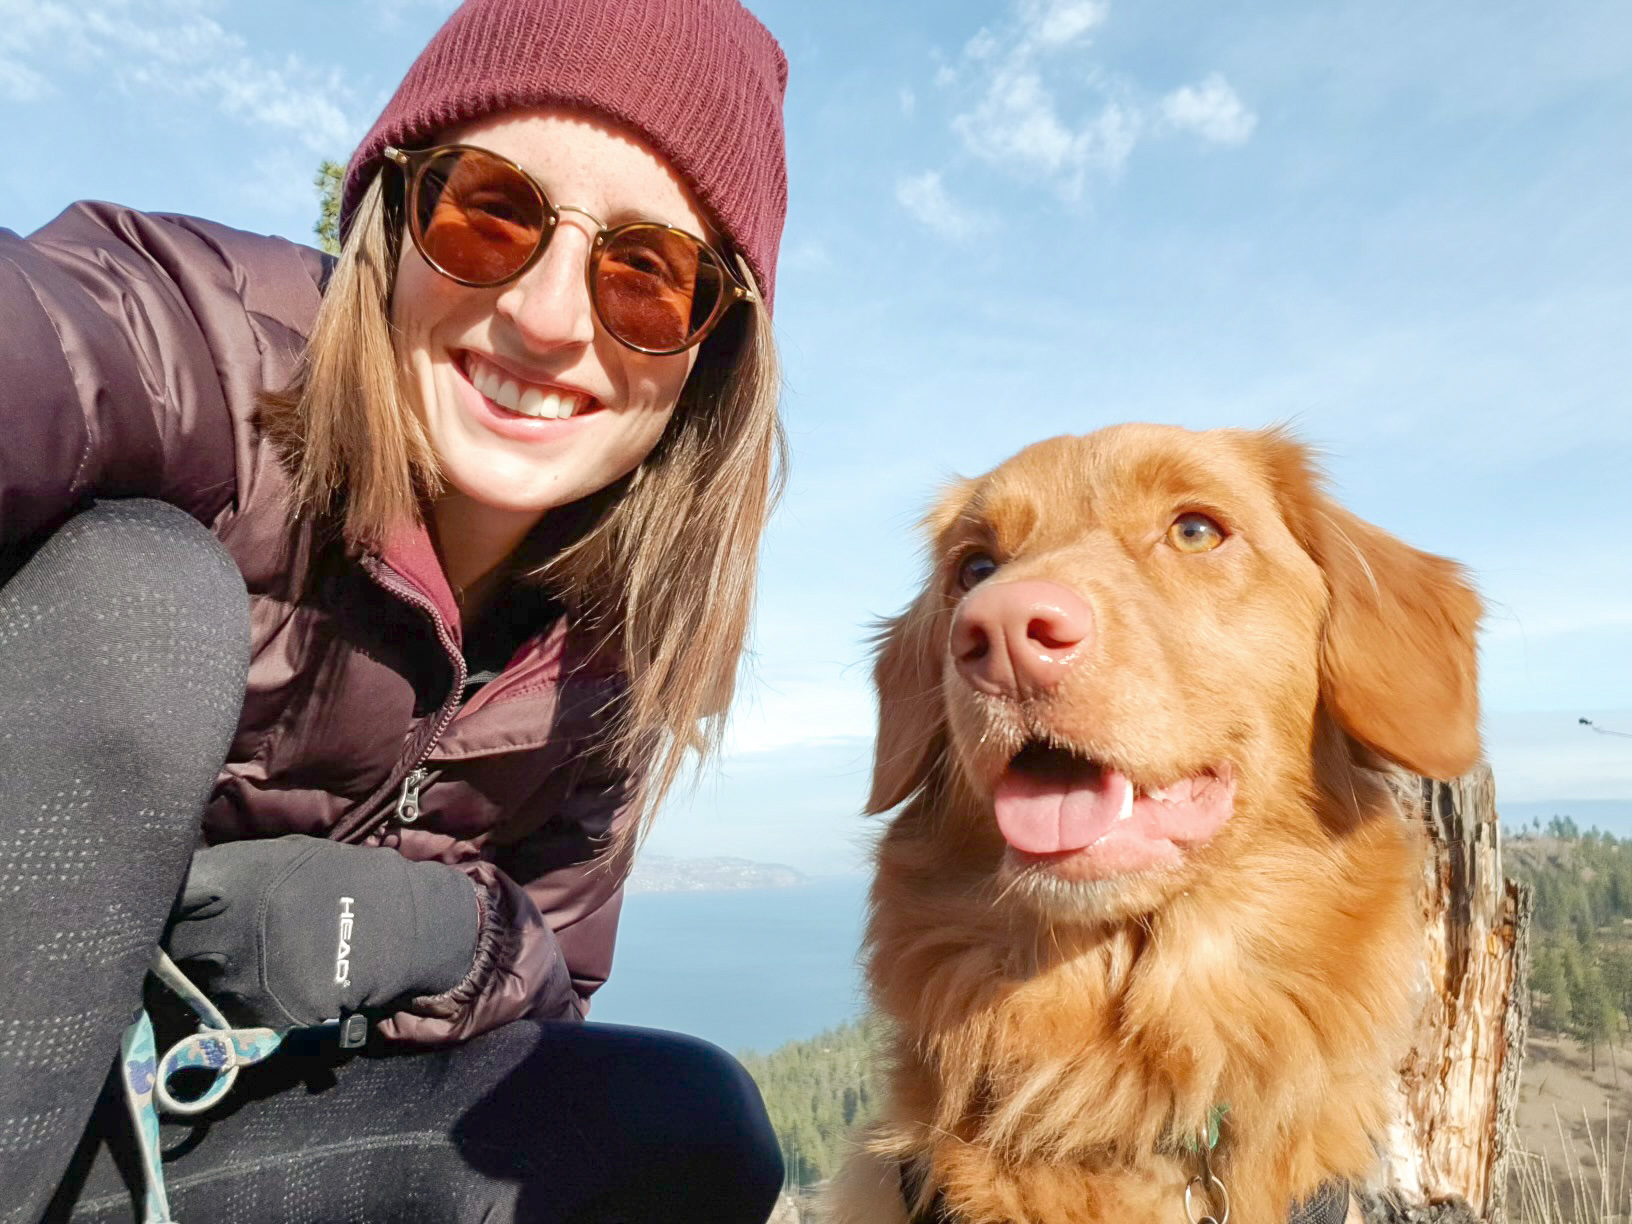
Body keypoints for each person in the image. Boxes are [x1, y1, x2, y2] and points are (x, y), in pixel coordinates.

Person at [0, 0, 790, 1219]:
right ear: (394, 215)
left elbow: (547, 1023)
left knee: (685, 1123)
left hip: (168, 1144)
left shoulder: (610, 658)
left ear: (712, 350)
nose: (548, 318)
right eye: (491, 209)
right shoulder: (206, 348)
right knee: (136, 597)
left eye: (647, 274)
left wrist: (446, 934)